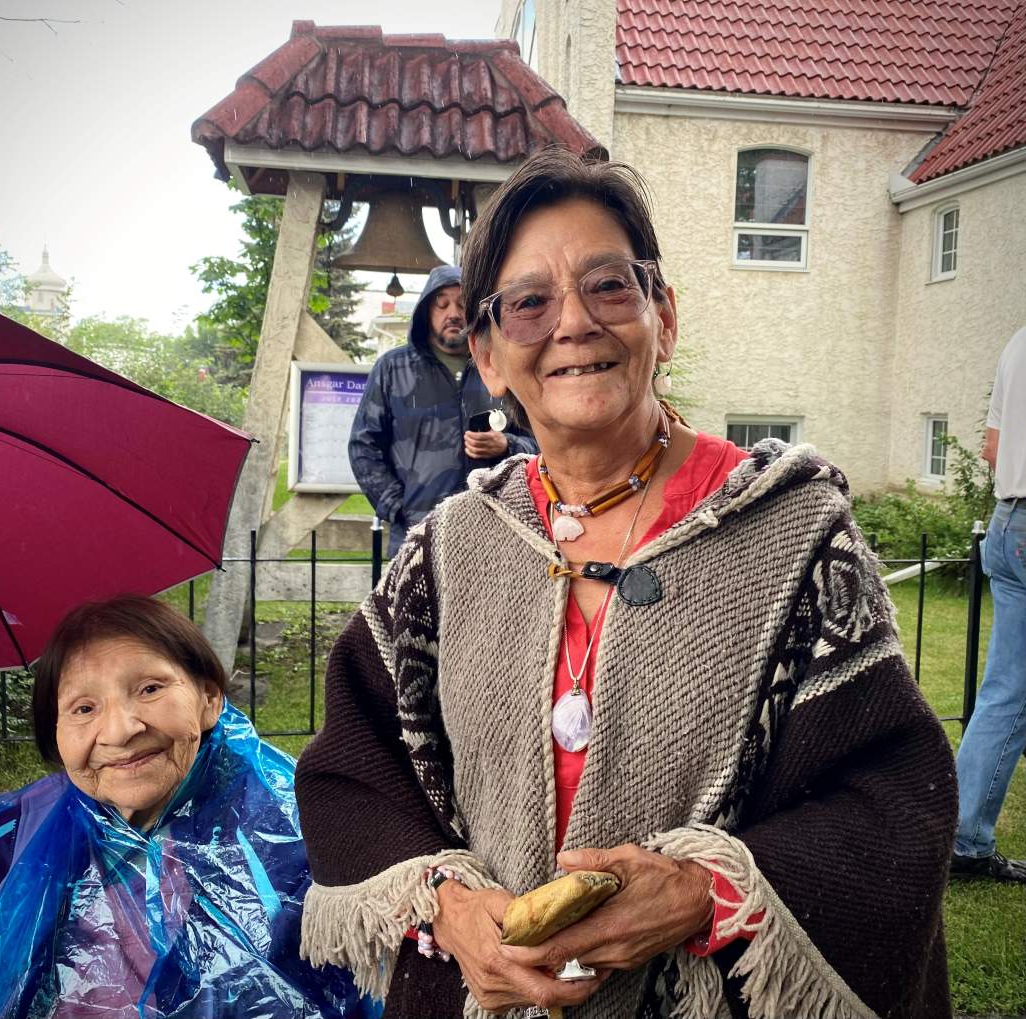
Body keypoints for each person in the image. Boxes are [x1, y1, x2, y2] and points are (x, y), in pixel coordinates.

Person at [295, 149, 956, 1019]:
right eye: (529, 303)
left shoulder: (793, 535)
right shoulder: (451, 550)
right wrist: (453, 910)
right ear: (488, 355)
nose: (573, 323)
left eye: (608, 285)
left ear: (662, 318)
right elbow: (355, 769)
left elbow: (891, 800)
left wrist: (699, 890)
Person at [0, 595, 362, 1019]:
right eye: (84, 707)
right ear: (56, 734)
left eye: (149, 688)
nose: (122, 729)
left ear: (209, 698)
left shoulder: (299, 832)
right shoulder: (9, 844)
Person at [348, 264, 537, 556]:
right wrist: (398, 507)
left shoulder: (502, 367)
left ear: (475, 310)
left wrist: (507, 443)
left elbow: (542, 440)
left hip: (494, 537)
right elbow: (363, 446)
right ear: (426, 312)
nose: (453, 313)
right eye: (441, 304)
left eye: (462, 304)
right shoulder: (392, 369)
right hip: (416, 535)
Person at [952, 325, 1026, 882]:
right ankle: (964, 840)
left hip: (1009, 523)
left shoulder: (1018, 342)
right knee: (1011, 693)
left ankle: (962, 833)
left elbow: (993, 447)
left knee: (1008, 688)